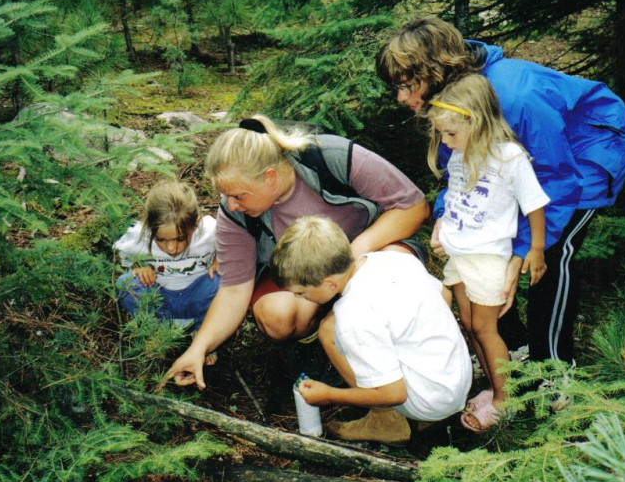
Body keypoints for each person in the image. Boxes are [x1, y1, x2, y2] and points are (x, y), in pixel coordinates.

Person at [376, 16, 625, 364]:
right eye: (397, 87)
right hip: (526, 159)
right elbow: (458, 170)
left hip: (586, 149)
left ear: (437, 70)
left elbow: (557, 179)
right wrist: (445, 216)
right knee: (482, 237)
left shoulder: (516, 97)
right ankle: (514, 347)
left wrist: (526, 248)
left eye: (409, 85)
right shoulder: (450, 100)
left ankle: (553, 367)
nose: (401, 97)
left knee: (549, 256)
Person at [158, 115, 429, 435]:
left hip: (369, 251)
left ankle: (408, 370)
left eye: (239, 195)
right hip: (302, 276)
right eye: (227, 196)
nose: (231, 205)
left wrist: (354, 255)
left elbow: (413, 206)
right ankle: (374, 402)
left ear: (270, 177)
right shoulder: (234, 212)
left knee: (396, 283)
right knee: (278, 315)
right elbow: (233, 291)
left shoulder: (330, 158)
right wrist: (198, 349)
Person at [271, 216, 472, 444]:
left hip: (429, 402)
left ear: (329, 284)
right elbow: (444, 295)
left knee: (328, 331)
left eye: (301, 293)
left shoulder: (353, 315)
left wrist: (328, 395)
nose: (299, 298)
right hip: (456, 378)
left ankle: (386, 420)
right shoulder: (392, 259)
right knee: (335, 324)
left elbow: (394, 394)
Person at [427, 75, 549, 431]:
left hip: (488, 258)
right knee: (470, 325)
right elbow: (453, 199)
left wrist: (536, 249)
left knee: (486, 327)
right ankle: (494, 390)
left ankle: (506, 402)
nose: (446, 142)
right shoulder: (459, 155)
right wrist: (443, 229)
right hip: (460, 255)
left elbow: (535, 204)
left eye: (451, 134)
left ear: (477, 121)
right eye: (443, 135)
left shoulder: (508, 157)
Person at [114, 180, 220, 347]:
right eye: (161, 240)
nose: (171, 248)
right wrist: (139, 266)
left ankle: (203, 335)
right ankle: (159, 332)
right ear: (149, 227)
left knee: (222, 282)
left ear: (196, 224)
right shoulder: (138, 237)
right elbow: (123, 255)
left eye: (180, 239)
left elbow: (233, 242)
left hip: (197, 294)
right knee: (125, 284)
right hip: (161, 298)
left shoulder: (210, 230)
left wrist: (219, 259)